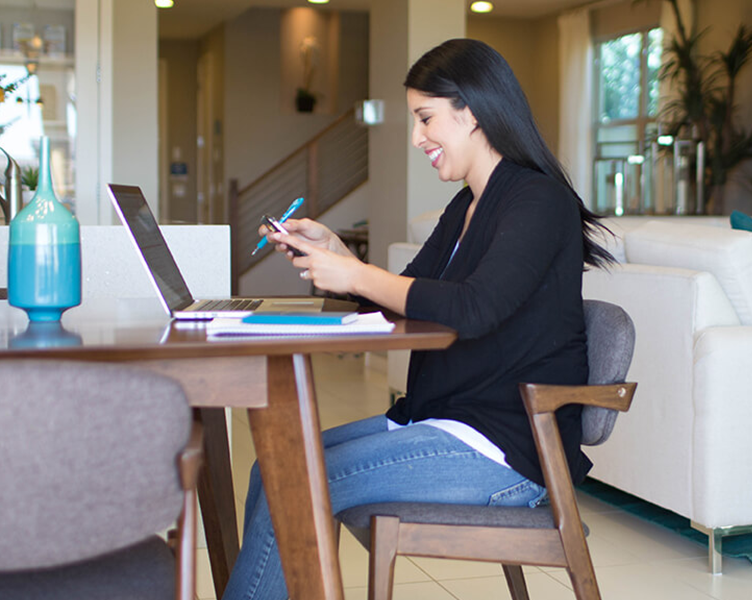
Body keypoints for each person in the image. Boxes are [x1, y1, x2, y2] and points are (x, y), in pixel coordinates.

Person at [221, 38, 613, 600]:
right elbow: (412, 298)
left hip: (506, 450)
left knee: (296, 479)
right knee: (272, 469)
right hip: (443, 422)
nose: (416, 137)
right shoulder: (467, 204)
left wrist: (354, 276)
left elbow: (473, 309)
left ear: (471, 110)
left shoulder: (537, 201)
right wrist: (340, 255)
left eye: (425, 118)